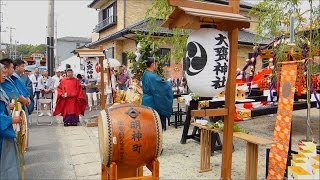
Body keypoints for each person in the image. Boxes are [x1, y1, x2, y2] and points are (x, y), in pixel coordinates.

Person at [0, 62, 22, 179]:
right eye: (2, 73)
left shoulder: (1, 89)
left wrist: (9, 106)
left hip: (5, 131)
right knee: (5, 164)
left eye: (5, 72)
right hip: (3, 132)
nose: (4, 75)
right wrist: (11, 120)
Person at [141, 57, 173, 131]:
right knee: (156, 127)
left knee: (149, 127)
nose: (157, 66)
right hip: (152, 103)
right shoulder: (152, 76)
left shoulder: (145, 74)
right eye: (156, 64)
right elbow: (162, 87)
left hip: (146, 101)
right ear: (152, 64)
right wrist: (168, 84)